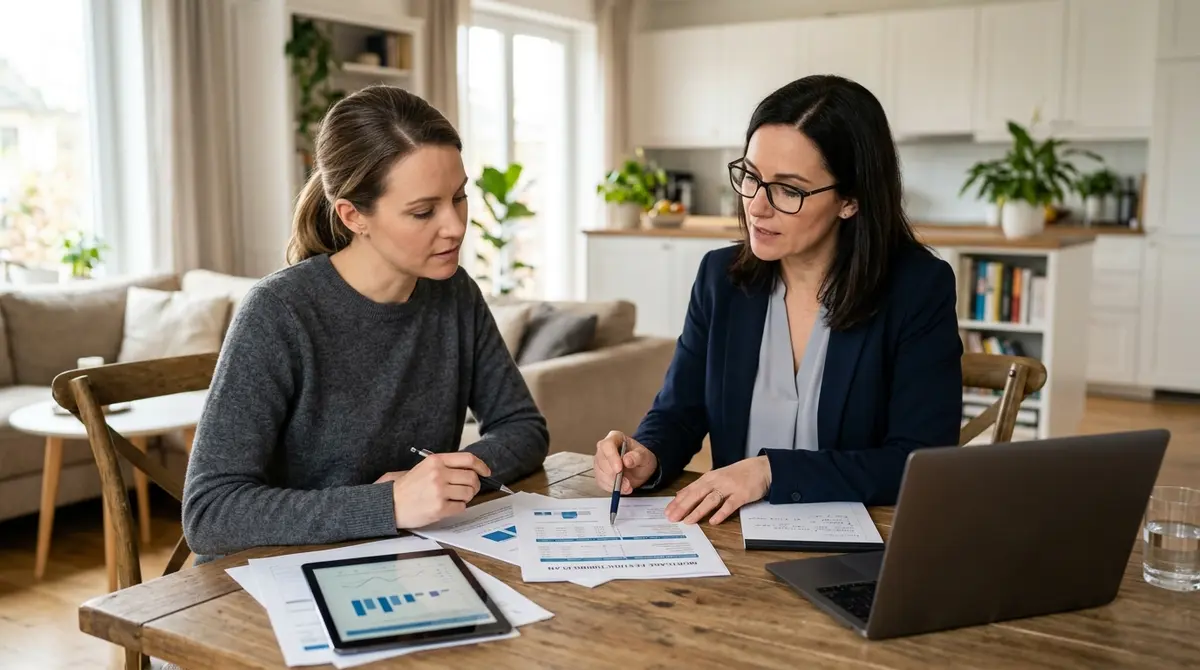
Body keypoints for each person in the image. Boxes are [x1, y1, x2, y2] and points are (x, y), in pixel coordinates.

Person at [182, 85, 549, 563]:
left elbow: (522, 428)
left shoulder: (455, 294)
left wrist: (448, 478)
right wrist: (388, 504)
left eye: (459, 197)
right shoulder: (279, 312)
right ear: (353, 215)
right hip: (270, 576)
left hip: (401, 560)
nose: (456, 226)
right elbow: (210, 513)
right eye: (423, 211)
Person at [593, 75, 963, 525]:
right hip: (730, 540)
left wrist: (771, 472)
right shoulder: (720, 278)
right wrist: (646, 455)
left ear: (851, 200)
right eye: (751, 177)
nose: (756, 206)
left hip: (862, 544)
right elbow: (679, 413)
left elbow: (917, 460)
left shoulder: (917, 288)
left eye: (788, 189)